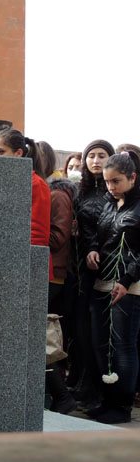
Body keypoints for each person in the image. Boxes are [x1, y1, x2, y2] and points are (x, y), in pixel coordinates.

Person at [84, 151, 140, 424]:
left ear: (132, 178)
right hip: (103, 280)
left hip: (129, 285)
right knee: (100, 344)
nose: (111, 187)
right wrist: (92, 249)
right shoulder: (109, 203)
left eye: (116, 181)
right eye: (107, 182)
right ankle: (105, 401)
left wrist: (127, 280)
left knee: (122, 347)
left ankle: (121, 407)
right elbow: (98, 232)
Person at [69, 139, 115, 405]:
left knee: (99, 330)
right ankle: (82, 381)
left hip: (104, 263)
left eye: (101, 155)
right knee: (80, 328)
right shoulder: (80, 190)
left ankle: (98, 388)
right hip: (79, 267)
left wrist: (94, 248)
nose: (96, 161)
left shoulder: (114, 191)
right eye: (91, 156)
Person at [40, 141, 78, 414]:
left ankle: (62, 395)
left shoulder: (56, 195)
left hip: (52, 274)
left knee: (43, 337)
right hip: (43, 270)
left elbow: (58, 238)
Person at [0, 128, 50, 251]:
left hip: (24, 259)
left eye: (0, 152)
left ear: (18, 153)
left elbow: (37, 234)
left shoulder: (36, 184)